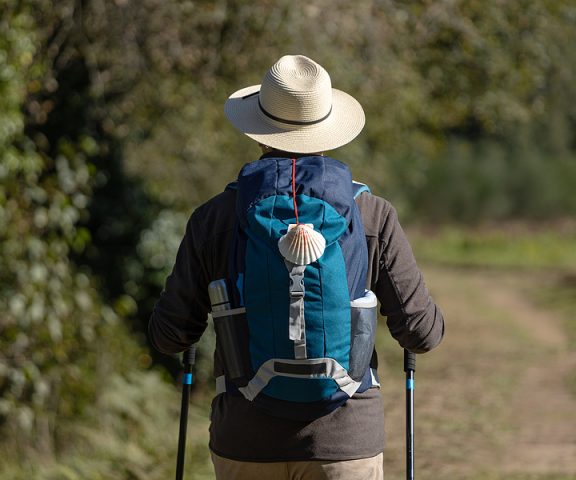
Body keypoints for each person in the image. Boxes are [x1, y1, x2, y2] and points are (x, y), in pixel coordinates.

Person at [148, 55, 444, 480]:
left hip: (244, 443)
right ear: (328, 130)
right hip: (345, 445)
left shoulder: (215, 218)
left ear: (259, 132)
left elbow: (168, 336)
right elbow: (422, 333)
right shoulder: (372, 216)